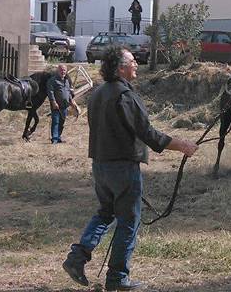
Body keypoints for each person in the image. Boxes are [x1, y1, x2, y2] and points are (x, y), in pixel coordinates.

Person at [62, 45, 198, 291]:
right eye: (133, 61)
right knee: (128, 222)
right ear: (120, 68)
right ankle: (117, 278)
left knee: (105, 213)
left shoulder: (98, 93)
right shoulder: (126, 96)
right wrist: (183, 145)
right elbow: (148, 133)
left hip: (100, 165)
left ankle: (77, 258)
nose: (136, 64)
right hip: (123, 168)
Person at [47, 64, 79, 144]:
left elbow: (68, 93)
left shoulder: (67, 81)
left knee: (62, 122)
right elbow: (50, 92)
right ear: (58, 71)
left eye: (64, 70)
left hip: (65, 106)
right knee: (56, 121)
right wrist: (53, 102)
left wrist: (72, 102)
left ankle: (58, 137)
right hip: (56, 106)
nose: (63, 71)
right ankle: (54, 138)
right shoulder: (53, 80)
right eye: (61, 70)